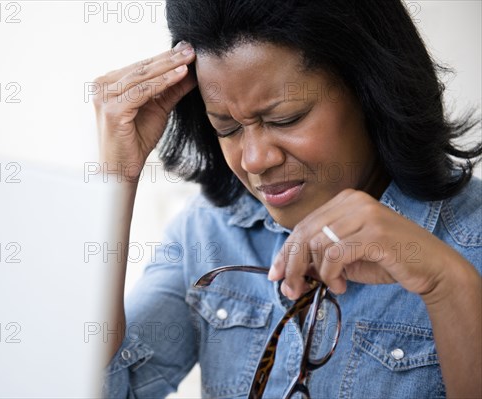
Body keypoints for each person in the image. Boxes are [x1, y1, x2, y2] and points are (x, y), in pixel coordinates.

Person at [93, 0, 481, 397]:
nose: (255, 160)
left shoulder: (473, 238)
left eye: (285, 119)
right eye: (227, 129)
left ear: (371, 91)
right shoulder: (209, 230)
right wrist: (115, 184)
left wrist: (448, 286)